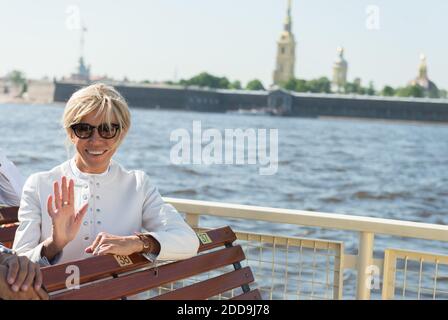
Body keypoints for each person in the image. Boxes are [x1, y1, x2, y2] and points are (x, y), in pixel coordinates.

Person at [13, 83, 199, 272]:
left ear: (122, 133)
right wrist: (54, 244)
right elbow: (18, 264)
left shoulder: (137, 185)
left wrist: (137, 243)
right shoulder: (39, 185)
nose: (95, 140)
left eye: (107, 129)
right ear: (70, 133)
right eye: (84, 129)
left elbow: (188, 241)